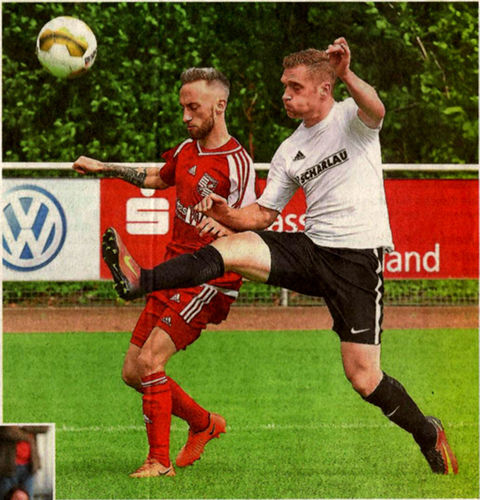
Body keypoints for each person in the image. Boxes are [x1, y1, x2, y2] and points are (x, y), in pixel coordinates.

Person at [101, 38, 458, 475]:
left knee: (364, 378)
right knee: (230, 247)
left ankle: (427, 432)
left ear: (324, 89)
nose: (285, 96)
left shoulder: (352, 117)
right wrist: (228, 214)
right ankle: (143, 279)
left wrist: (346, 72)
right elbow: (265, 214)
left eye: (294, 87)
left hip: (356, 263)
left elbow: (377, 108)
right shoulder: (291, 149)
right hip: (312, 249)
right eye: (284, 87)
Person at [73, 67, 257, 478]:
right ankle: (204, 423)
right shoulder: (187, 149)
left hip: (211, 280)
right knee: (132, 371)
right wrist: (105, 167)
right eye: (183, 108)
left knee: (151, 361)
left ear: (219, 105)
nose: (186, 116)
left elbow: (253, 221)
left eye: (194, 107)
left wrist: (228, 227)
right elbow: (159, 176)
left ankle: (159, 462)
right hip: (174, 272)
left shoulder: (237, 162)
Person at [0, 425, 48, 499]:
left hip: (29, 466)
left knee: (28, 497)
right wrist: (28, 436)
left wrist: (22, 426)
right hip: (8, 466)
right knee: (6, 496)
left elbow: (44, 427)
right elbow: (6, 430)